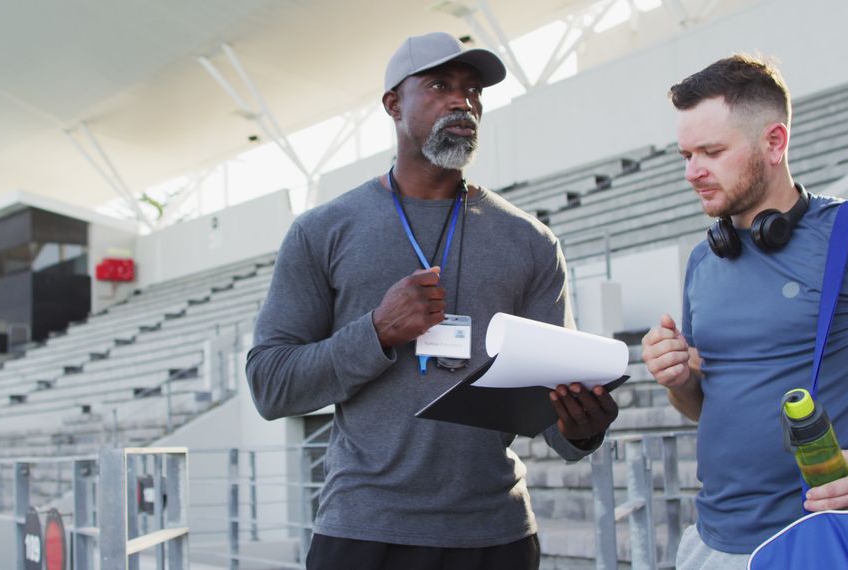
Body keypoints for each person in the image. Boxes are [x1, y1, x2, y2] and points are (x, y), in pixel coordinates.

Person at [246, 32, 618, 570]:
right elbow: (270, 384)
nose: (461, 101)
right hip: (364, 531)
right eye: (440, 85)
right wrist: (375, 332)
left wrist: (580, 428)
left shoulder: (531, 242)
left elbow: (553, 416)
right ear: (393, 104)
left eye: (473, 91)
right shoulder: (321, 231)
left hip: (497, 536)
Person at [641, 54, 848, 567]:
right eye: (685, 154)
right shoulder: (704, 259)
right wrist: (679, 379)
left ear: (775, 143)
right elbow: (703, 407)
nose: (692, 172)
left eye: (711, 151)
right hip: (708, 545)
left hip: (819, 544)